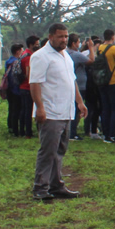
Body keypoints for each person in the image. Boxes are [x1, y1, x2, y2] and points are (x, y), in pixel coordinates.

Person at [29, 23, 86, 201]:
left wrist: (80, 102)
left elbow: (72, 81)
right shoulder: (41, 56)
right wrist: (40, 108)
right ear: (51, 36)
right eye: (60, 37)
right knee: (48, 151)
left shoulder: (65, 56)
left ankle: (55, 185)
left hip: (65, 111)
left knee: (59, 150)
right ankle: (40, 187)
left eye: (66, 37)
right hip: (50, 112)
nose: (64, 40)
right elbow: (35, 83)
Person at [66, 34, 95, 140]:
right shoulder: (76, 54)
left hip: (71, 84)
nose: (79, 44)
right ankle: (72, 133)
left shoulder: (66, 53)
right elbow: (91, 60)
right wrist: (91, 47)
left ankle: (70, 131)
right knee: (77, 110)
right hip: (79, 85)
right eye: (78, 42)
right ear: (73, 43)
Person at [97, 29, 115, 143]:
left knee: (105, 108)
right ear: (113, 37)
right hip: (114, 80)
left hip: (101, 81)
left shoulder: (99, 48)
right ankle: (112, 134)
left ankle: (105, 133)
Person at [17, 36, 41, 139]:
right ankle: (27, 132)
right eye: (37, 44)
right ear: (31, 45)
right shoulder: (29, 57)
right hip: (27, 87)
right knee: (28, 111)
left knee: (25, 110)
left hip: (23, 86)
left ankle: (22, 130)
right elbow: (28, 73)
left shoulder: (24, 54)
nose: (38, 46)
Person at [4, 44, 24, 137]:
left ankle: (11, 127)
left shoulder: (8, 61)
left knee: (11, 109)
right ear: (17, 52)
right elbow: (16, 77)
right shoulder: (16, 62)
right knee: (17, 110)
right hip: (15, 89)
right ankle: (16, 130)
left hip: (8, 88)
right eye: (21, 50)